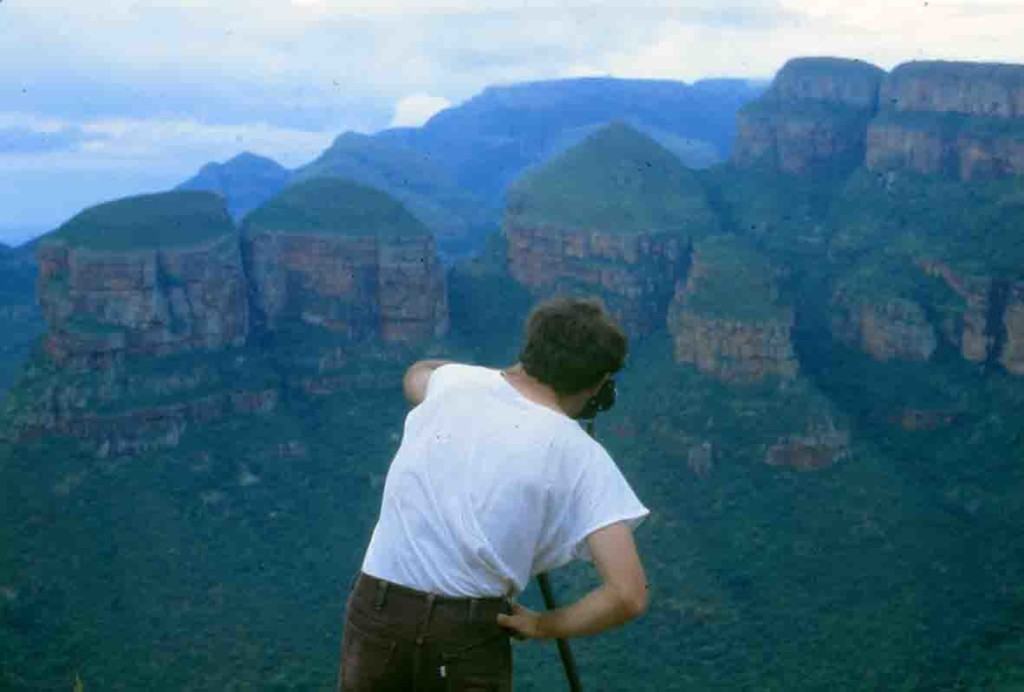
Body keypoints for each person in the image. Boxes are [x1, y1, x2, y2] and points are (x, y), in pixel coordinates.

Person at [337, 296, 650, 691]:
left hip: (378, 609)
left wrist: (503, 379)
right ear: (598, 387)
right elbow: (628, 594)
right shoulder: (582, 456)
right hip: (466, 633)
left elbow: (416, 373)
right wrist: (542, 625)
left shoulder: (453, 383)